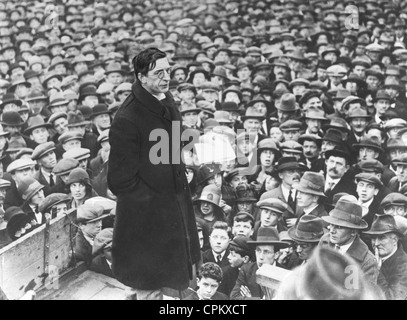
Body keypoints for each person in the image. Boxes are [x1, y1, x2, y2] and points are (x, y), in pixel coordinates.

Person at [108, 47, 200, 300]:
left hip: (172, 204)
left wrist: (179, 170)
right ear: (141, 77)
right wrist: (155, 203)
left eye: (168, 70)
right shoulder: (127, 118)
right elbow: (119, 181)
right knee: (147, 281)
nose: (166, 77)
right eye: (158, 72)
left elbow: (171, 145)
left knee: (170, 275)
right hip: (147, 217)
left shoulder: (164, 98)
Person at [320, 195, 379, 284]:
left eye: (339, 227)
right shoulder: (325, 242)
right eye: (332, 224)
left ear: (353, 232)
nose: (332, 231)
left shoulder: (367, 262)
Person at [230, 227, 289, 300]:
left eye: (266, 252)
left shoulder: (285, 274)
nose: (261, 257)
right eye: (258, 251)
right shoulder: (246, 270)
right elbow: (234, 297)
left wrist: (250, 298)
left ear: (276, 254)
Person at [363, 214, 407, 300]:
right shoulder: (369, 257)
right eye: (373, 238)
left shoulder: (404, 265)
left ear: (394, 240)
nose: (376, 243)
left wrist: (377, 270)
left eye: (381, 237)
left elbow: (393, 298)